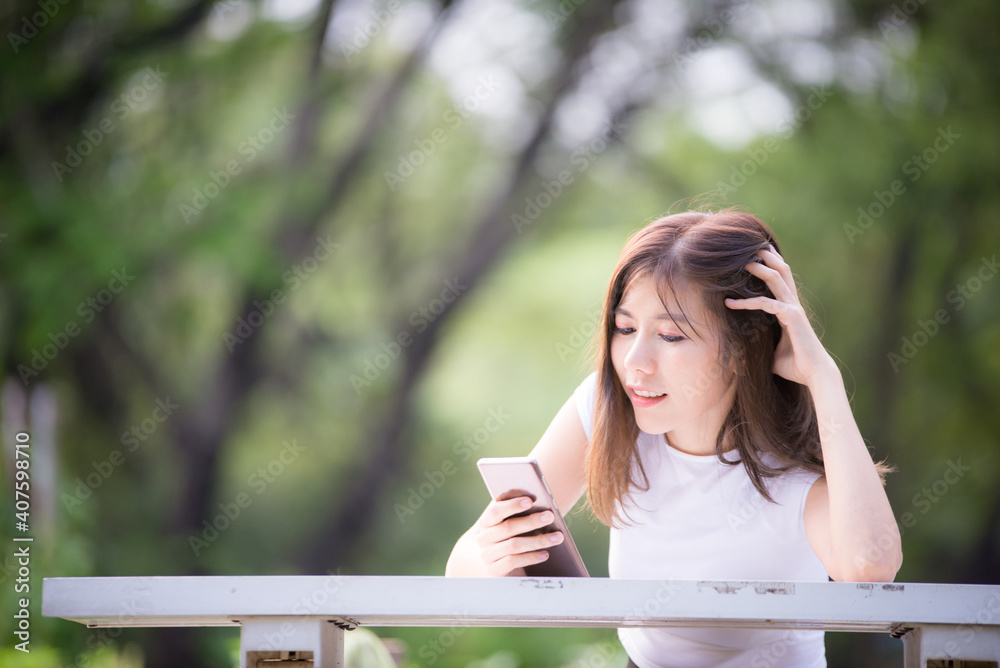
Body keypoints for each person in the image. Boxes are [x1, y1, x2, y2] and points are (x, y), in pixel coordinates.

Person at [444, 208, 902, 667]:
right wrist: (493, 555)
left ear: (745, 348)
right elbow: (461, 567)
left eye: (670, 335)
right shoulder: (607, 410)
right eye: (625, 329)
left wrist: (823, 376)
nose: (635, 361)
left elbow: (870, 568)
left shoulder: (790, 468)